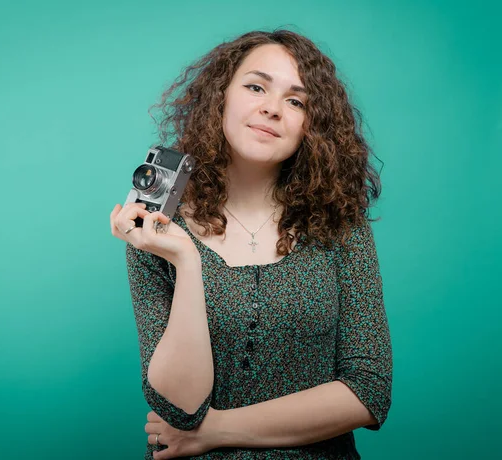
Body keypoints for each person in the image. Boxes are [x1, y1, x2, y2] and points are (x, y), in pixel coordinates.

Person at [110, 29, 392, 460]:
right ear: (220, 96)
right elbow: (180, 410)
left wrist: (217, 430)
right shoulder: (157, 231)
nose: (272, 109)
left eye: (296, 101)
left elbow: (368, 390)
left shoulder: (340, 223)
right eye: (256, 86)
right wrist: (186, 263)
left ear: (312, 126)